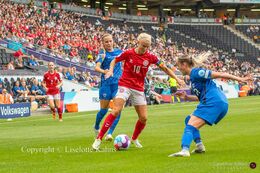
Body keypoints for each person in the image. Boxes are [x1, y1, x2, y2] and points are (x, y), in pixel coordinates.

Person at [92, 33, 183, 150]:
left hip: (138, 88)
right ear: (138, 42)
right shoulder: (128, 53)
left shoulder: (151, 57)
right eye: (143, 45)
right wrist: (110, 70)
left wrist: (177, 78)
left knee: (143, 118)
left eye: (147, 46)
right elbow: (114, 60)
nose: (145, 48)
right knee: (116, 110)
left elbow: (164, 68)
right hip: (124, 84)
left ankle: (134, 138)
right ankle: (98, 138)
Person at [168, 52, 251, 157]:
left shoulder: (196, 72)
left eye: (178, 65)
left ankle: (185, 150)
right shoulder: (193, 79)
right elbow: (201, 98)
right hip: (218, 102)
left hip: (213, 102)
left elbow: (220, 74)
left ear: (184, 64)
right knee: (188, 120)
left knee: (190, 127)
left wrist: (240, 79)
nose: (178, 68)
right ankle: (199, 146)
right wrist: (187, 97)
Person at [93, 33, 122, 141]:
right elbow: (96, 67)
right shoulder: (102, 54)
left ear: (113, 41)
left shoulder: (119, 52)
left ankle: (110, 133)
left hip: (117, 85)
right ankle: (96, 126)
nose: (109, 43)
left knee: (117, 109)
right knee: (103, 110)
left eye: (110, 41)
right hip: (105, 85)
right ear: (103, 43)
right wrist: (103, 71)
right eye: (106, 42)